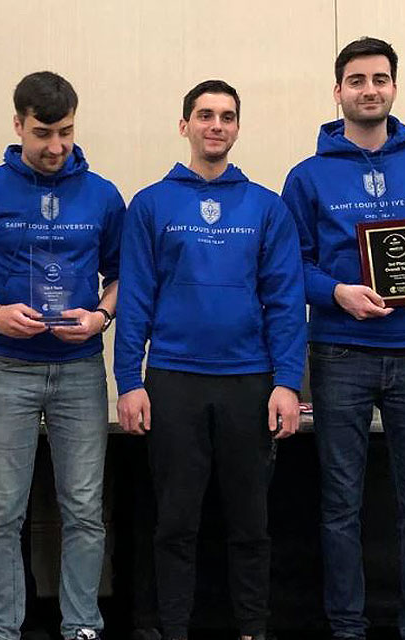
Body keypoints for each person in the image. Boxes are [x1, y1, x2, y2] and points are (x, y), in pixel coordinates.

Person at [281, 37, 405, 640]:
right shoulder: (306, 176)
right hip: (339, 353)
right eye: (357, 80)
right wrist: (337, 293)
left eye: (380, 79)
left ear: (394, 87)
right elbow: (292, 268)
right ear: (337, 91)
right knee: (341, 507)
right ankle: (347, 628)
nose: (370, 90)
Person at [115, 80, 306, 640]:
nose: (215, 125)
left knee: (251, 523)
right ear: (185, 126)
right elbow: (136, 300)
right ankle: (173, 628)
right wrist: (129, 379)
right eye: (204, 115)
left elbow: (285, 301)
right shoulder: (150, 205)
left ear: (238, 128)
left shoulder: (267, 208)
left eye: (226, 116)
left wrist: (288, 381)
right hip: (173, 381)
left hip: (251, 382)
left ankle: (252, 628)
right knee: (174, 522)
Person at [0, 71, 125, 640]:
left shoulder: (103, 194)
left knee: (84, 510)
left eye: (67, 132)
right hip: (7, 369)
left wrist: (100, 315)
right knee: (0, 514)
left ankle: (82, 626)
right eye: (43, 132)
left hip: (80, 370)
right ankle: (1, 630)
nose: (56, 147)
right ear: (18, 124)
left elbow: (123, 276)